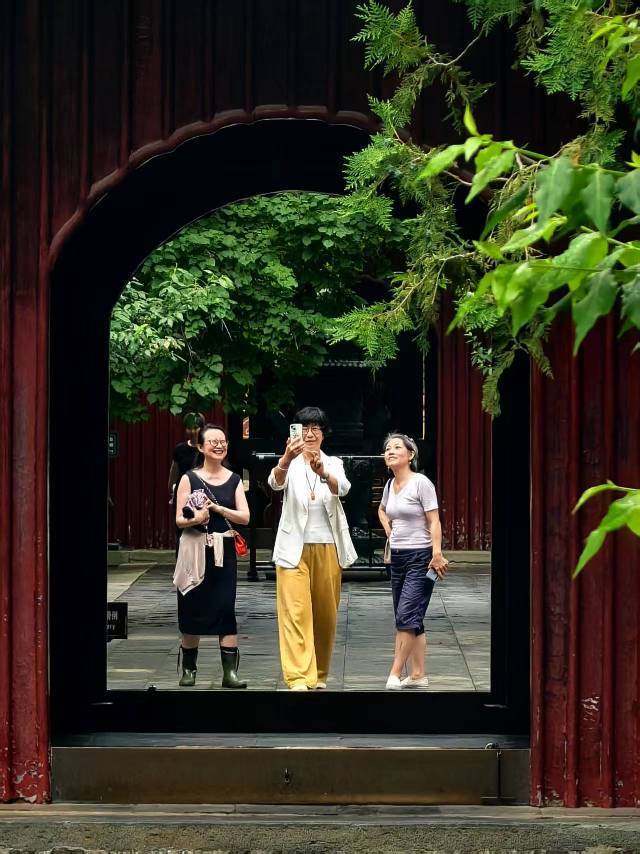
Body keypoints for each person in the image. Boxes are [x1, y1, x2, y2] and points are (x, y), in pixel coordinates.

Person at [268, 406, 357, 690]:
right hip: (293, 547)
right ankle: (297, 676)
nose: (309, 434)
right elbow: (274, 483)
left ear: (323, 434)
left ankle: (318, 674)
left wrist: (323, 473)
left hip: (328, 544)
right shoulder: (289, 461)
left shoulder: (334, 462)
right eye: (304, 428)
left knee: (324, 614)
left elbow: (343, 488)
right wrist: (285, 459)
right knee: (295, 612)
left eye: (315, 428)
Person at [173, 423, 250, 689]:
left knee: (225, 608)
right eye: (213, 441)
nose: (219, 445)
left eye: (223, 441)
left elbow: (245, 516)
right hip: (195, 550)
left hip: (223, 552)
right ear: (201, 446)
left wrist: (218, 509)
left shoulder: (234, 479)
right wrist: (198, 516)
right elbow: (179, 519)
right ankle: (189, 670)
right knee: (191, 605)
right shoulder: (189, 478)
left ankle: (230, 673)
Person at [378, 433, 448, 690]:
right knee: (410, 616)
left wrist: (436, 553)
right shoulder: (389, 485)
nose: (391, 451)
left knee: (406, 615)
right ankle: (418, 674)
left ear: (411, 455)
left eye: (397, 447)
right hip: (397, 557)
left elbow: (434, 520)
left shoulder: (421, 483)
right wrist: (388, 528)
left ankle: (395, 673)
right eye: (387, 448)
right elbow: (382, 509)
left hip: (421, 556)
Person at [168, 413, 204, 505]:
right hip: (182, 494)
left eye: (195, 428)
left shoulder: (207, 449)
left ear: (202, 428)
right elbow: (174, 473)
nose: (192, 431)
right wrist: (173, 491)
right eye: (189, 428)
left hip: (202, 496)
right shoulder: (180, 449)